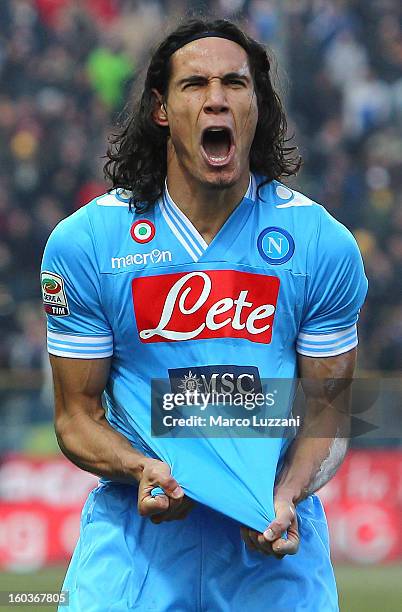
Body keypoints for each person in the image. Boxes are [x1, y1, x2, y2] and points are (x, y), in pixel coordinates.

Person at [41, 18, 368, 611]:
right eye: (195, 84)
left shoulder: (321, 244)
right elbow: (76, 416)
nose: (216, 97)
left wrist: (290, 493)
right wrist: (141, 468)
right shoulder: (87, 242)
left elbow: (328, 412)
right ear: (161, 109)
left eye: (235, 84)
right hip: (139, 542)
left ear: (257, 108)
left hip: (269, 538)